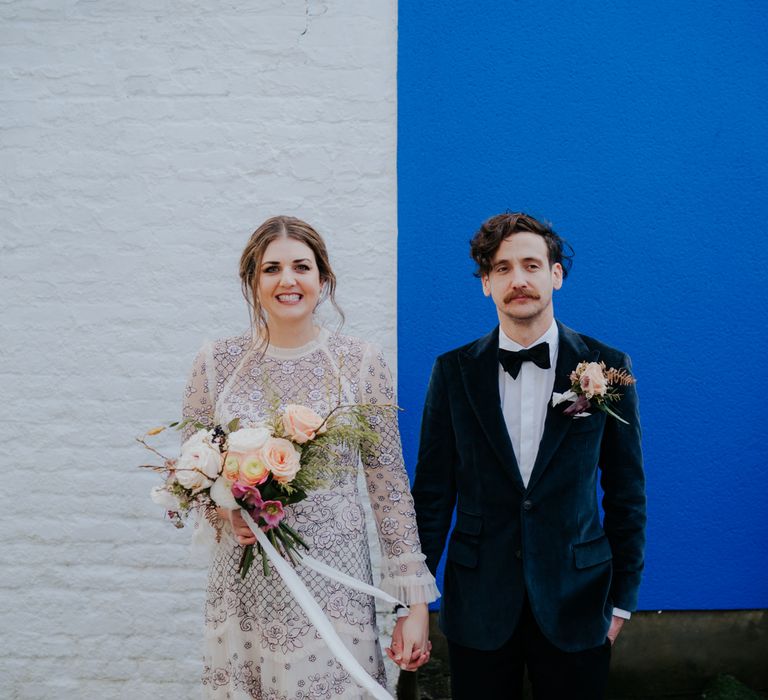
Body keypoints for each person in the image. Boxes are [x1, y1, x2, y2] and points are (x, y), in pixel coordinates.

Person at [181, 215, 439, 699]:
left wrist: (415, 604)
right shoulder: (216, 364)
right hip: (244, 584)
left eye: (301, 266)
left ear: (323, 279)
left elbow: (388, 486)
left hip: (334, 581)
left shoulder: (360, 362)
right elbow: (191, 473)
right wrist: (220, 511)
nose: (287, 280)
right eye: (271, 269)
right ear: (252, 281)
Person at [410, 212, 646, 699]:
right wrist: (413, 600)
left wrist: (621, 602)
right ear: (485, 284)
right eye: (502, 268)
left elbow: (626, 492)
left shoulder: (608, 366)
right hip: (478, 603)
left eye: (531, 265)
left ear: (555, 274)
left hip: (578, 600)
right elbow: (432, 494)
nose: (518, 280)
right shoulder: (453, 371)